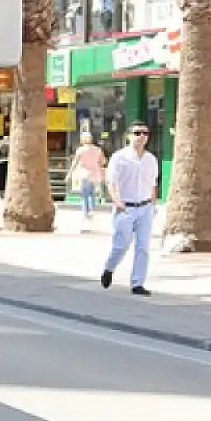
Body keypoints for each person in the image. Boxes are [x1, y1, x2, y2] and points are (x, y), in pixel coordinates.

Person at [101, 121, 159, 296]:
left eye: (145, 133)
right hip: (125, 207)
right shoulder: (119, 157)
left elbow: (153, 183)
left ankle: (137, 283)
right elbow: (111, 182)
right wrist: (117, 201)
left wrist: (152, 203)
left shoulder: (151, 159)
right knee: (121, 245)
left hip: (145, 207)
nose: (142, 137)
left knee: (143, 247)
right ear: (129, 136)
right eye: (137, 133)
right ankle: (109, 268)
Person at [72, 131, 107, 225]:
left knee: (84, 195)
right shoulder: (98, 150)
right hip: (95, 174)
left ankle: (85, 212)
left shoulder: (80, 150)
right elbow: (103, 162)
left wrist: (70, 173)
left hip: (84, 173)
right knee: (92, 193)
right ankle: (91, 210)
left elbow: (75, 162)